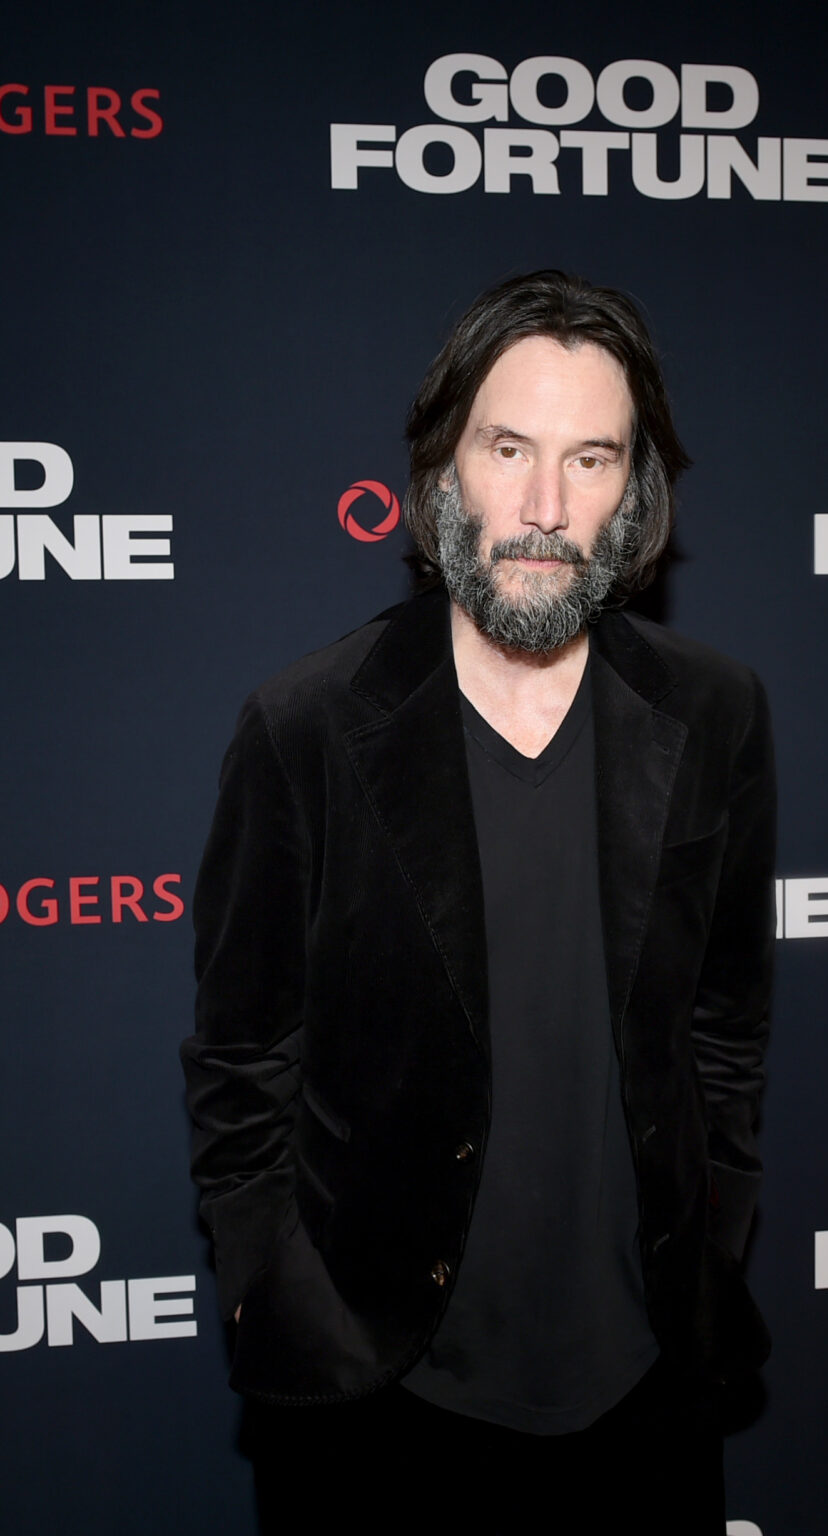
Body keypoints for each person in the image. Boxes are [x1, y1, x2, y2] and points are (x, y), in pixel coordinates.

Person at [182, 270, 776, 1533]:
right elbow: (242, 1053)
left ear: (636, 494)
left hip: (649, 1381)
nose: (544, 507)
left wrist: (715, 1237)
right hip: (381, 1399)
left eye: (592, 459)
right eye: (509, 448)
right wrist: (273, 1290)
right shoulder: (308, 727)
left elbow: (727, 1023)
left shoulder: (716, 713)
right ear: (444, 466)